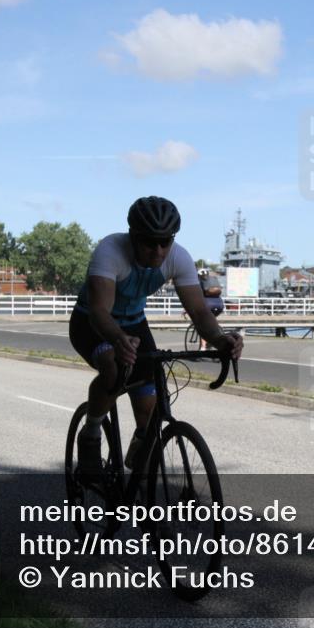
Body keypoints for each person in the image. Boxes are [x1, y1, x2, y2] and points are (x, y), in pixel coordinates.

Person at [69, 197, 243, 475]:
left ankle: (140, 456)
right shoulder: (110, 250)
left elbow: (199, 312)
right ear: (133, 236)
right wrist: (116, 339)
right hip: (92, 322)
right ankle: (90, 434)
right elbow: (100, 311)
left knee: (150, 395)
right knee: (113, 368)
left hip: (135, 323)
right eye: (150, 242)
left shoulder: (179, 257)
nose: (159, 250)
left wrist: (222, 340)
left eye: (166, 241)